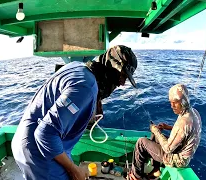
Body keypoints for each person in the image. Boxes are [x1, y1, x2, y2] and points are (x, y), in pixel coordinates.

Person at [11, 45, 138, 180]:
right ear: (112, 67)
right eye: (122, 75)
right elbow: (45, 134)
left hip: (26, 143)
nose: (122, 83)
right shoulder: (85, 87)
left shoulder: (78, 67)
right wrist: (74, 170)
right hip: (39, 153)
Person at [130, 84, 202, 180]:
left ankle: (136, 177)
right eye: (171, 102)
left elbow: (168, 149)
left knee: (141, 143)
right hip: (182, 151)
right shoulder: (193, 112)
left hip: (178, 160)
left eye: (175, 102)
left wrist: (156, 131)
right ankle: (156, 170)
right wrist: (167, 127)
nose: (172, 106)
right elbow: (185, 132)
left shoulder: (184, 121)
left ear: (183, 102)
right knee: (156, 137)